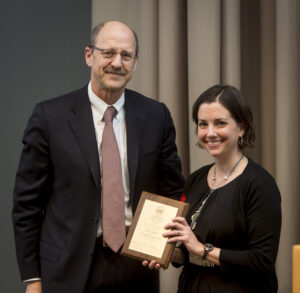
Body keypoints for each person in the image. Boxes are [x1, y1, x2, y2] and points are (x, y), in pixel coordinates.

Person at [12, 20, 185, 293]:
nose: (117, 62)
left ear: (135, 63)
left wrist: (166, 246)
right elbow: (27, 206)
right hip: (66, 269)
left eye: (126, 55)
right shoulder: (49, 117)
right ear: (89, 55)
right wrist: (33, 279)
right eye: (109, 52)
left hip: (137, 267)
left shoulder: (155, 116)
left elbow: (173, 190)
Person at [144, 84, 282, 292]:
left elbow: (261, 260)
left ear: (241, 127)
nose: (210, 133)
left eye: (220, 123)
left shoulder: (260, 184)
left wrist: (202, 249)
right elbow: (187, 250)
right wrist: (170, 253)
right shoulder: (195, 179)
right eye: (202, 124)